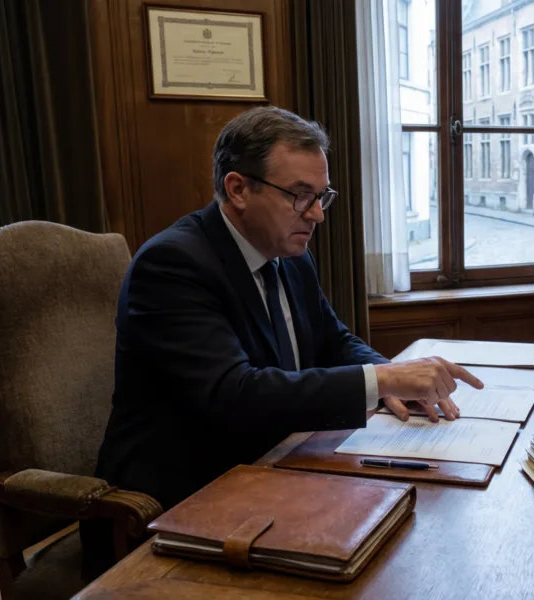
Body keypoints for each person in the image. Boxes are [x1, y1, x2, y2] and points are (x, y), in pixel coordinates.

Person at [83, 106, 481, 571]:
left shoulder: (289, 253)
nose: (317, 214)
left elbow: (332, 340)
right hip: (177, 505)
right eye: (299, 195)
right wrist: (382, 380)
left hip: (272, 473)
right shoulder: (173, 265)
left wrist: (393, 379)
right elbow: (234, 394)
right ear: (238, 189)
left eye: (321, 196)